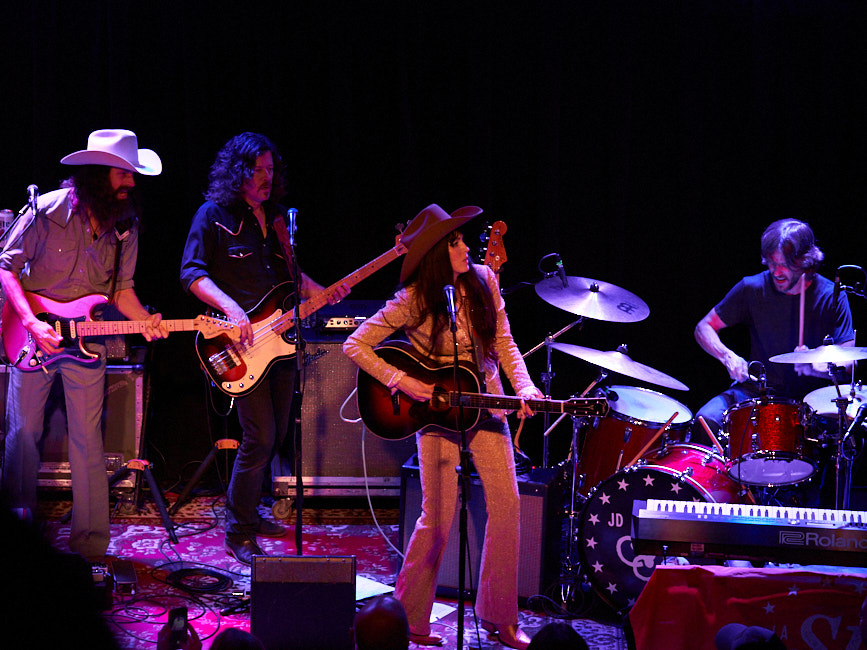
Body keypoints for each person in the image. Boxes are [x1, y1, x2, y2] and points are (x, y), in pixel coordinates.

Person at [343, 204, 544, 650]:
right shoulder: (413, 299)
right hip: (434, 412)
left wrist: (525, 387)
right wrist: (406, 383)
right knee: (436, 518)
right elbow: (355, 344)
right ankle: (410, 619)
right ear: (437, 252)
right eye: (455, 241)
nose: (465, 245)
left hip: (484, 404)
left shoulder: (485, 281)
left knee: (508, 505)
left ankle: (499, 617)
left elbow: (505, 342)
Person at [180, 132, 349, 565]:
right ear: (238, 172)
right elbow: (192, 275)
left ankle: (249, 511)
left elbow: (292, 277)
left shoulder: (276, 218)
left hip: (281, 343)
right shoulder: (212, 215)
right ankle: (238, 530)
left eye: (271, 170)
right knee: (260, 436)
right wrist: (233, 310)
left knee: (275, 435)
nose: (266, 177)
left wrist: (326, 292)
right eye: (257, 170)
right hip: (237, 346)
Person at [0, 129, 168, 562]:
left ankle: (91, 547)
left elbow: (121, 290)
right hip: (31, 338)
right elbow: (6, 269)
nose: (130, 183)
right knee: (22, 436)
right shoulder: (47, 209)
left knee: (88, 444)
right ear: (96, 175)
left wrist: (145, 322)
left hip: (84, 348)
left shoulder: (125, 227)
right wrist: (32, 322)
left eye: (132, 175)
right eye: (122, 173)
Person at [692, 219, 854, 452]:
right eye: (771, 262)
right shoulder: (753, 287)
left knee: (844, 443)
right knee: (706, 418)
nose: (776, 271)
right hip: (758, 390)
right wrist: (727, 356)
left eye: (785, 264)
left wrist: (816, 363)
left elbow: (850, 360)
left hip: (812, 400)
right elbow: (704, 327)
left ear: (807, 263)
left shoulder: (832, 296)